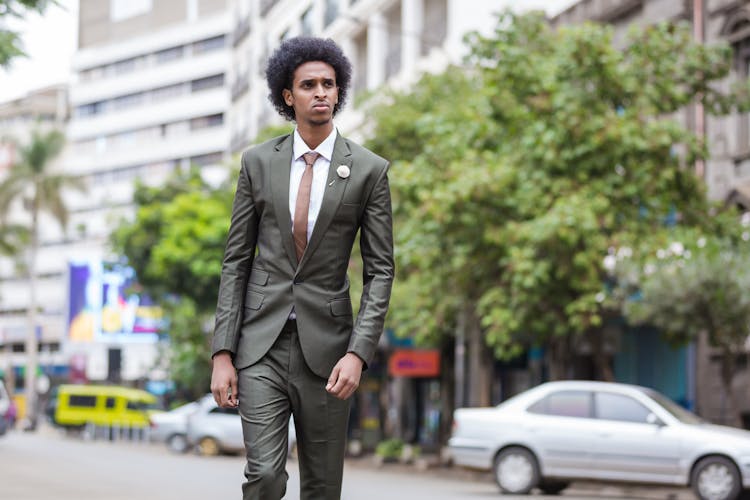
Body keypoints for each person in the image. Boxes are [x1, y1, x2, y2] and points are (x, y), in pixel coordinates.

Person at [210, 36, 394, 500]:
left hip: (330, 352)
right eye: (308, 84)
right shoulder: (257, 163)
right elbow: (236, 260)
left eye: (329, 84)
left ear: (339, 91)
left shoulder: (369, 171)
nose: (321, 93)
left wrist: (359, 352)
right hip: (260, 345)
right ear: (288, 96)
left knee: (322, 487)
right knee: (266, 476)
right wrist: (222, 353)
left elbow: (380, 271)